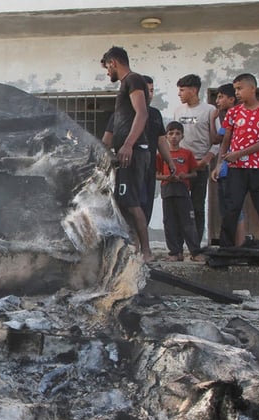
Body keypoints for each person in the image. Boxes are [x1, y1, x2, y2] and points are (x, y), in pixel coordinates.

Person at [100, 46, 153, 261]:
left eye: (107, 68)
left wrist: (129, 144)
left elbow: (142, 113)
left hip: (134, 151)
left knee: (131, 203)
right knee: (124, 202)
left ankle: (146, 252)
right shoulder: (126, 84)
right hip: (125, 154)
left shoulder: (133, 80)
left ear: (113, 62)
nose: (107, 73)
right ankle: (135, 249)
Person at [102, 76, 174, 225]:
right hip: (128, 167)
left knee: (145, 206)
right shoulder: (120, 114)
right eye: (147, 91)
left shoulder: (155, 114)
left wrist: (170, 162)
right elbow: (106, 142)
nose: (150, 95)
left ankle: (141, 246)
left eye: (152, 91)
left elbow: (161, 141)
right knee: (130, 206)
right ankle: (136, 245)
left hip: (148, 168)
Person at [218, 73, 259, 247]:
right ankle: (226, 244)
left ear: (253, 88)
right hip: (236, 168)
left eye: (240, 88)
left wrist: (239, 152)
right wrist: (221, 162)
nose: (237, 92)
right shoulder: (233, 112)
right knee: (232, 206)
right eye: (235, 89)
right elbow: (226, 138)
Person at [174, 74, 216, 248]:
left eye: (182, 90)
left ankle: (196, 246)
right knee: (179, 207)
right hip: (181, 166)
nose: (179, 94)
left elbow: (217, 141)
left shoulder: (210, 110)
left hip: (199, 165)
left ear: (193, 90)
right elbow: (173, 137)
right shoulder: (178, 111)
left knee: (197, 207)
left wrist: (205, 161)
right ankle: (177, 246)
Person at [157, 122, 205, 262]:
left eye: (177, 133)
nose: (174, 137)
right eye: (171, 133)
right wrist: (167, 177)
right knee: (169, 222)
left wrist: (185, 176)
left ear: (182, 136)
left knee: (188, 222)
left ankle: (195, 252)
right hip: (167, 190)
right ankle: (174, 252)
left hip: (183, 190)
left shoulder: (187, 153)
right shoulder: (161, 155)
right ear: (166, 136)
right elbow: (156, 174)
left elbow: (195, 173)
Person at [209, 83, 247, 246]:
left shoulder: (237, 116)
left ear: (231, 99)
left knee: (234, 209)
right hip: (225, 168)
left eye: (221, 97)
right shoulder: (227, 118)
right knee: (227, 209)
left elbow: (219, 140)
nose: (217, 101)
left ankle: (239, 245)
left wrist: (212, 120)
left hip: (235, 168)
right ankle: (233, 245)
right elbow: (218, 140)